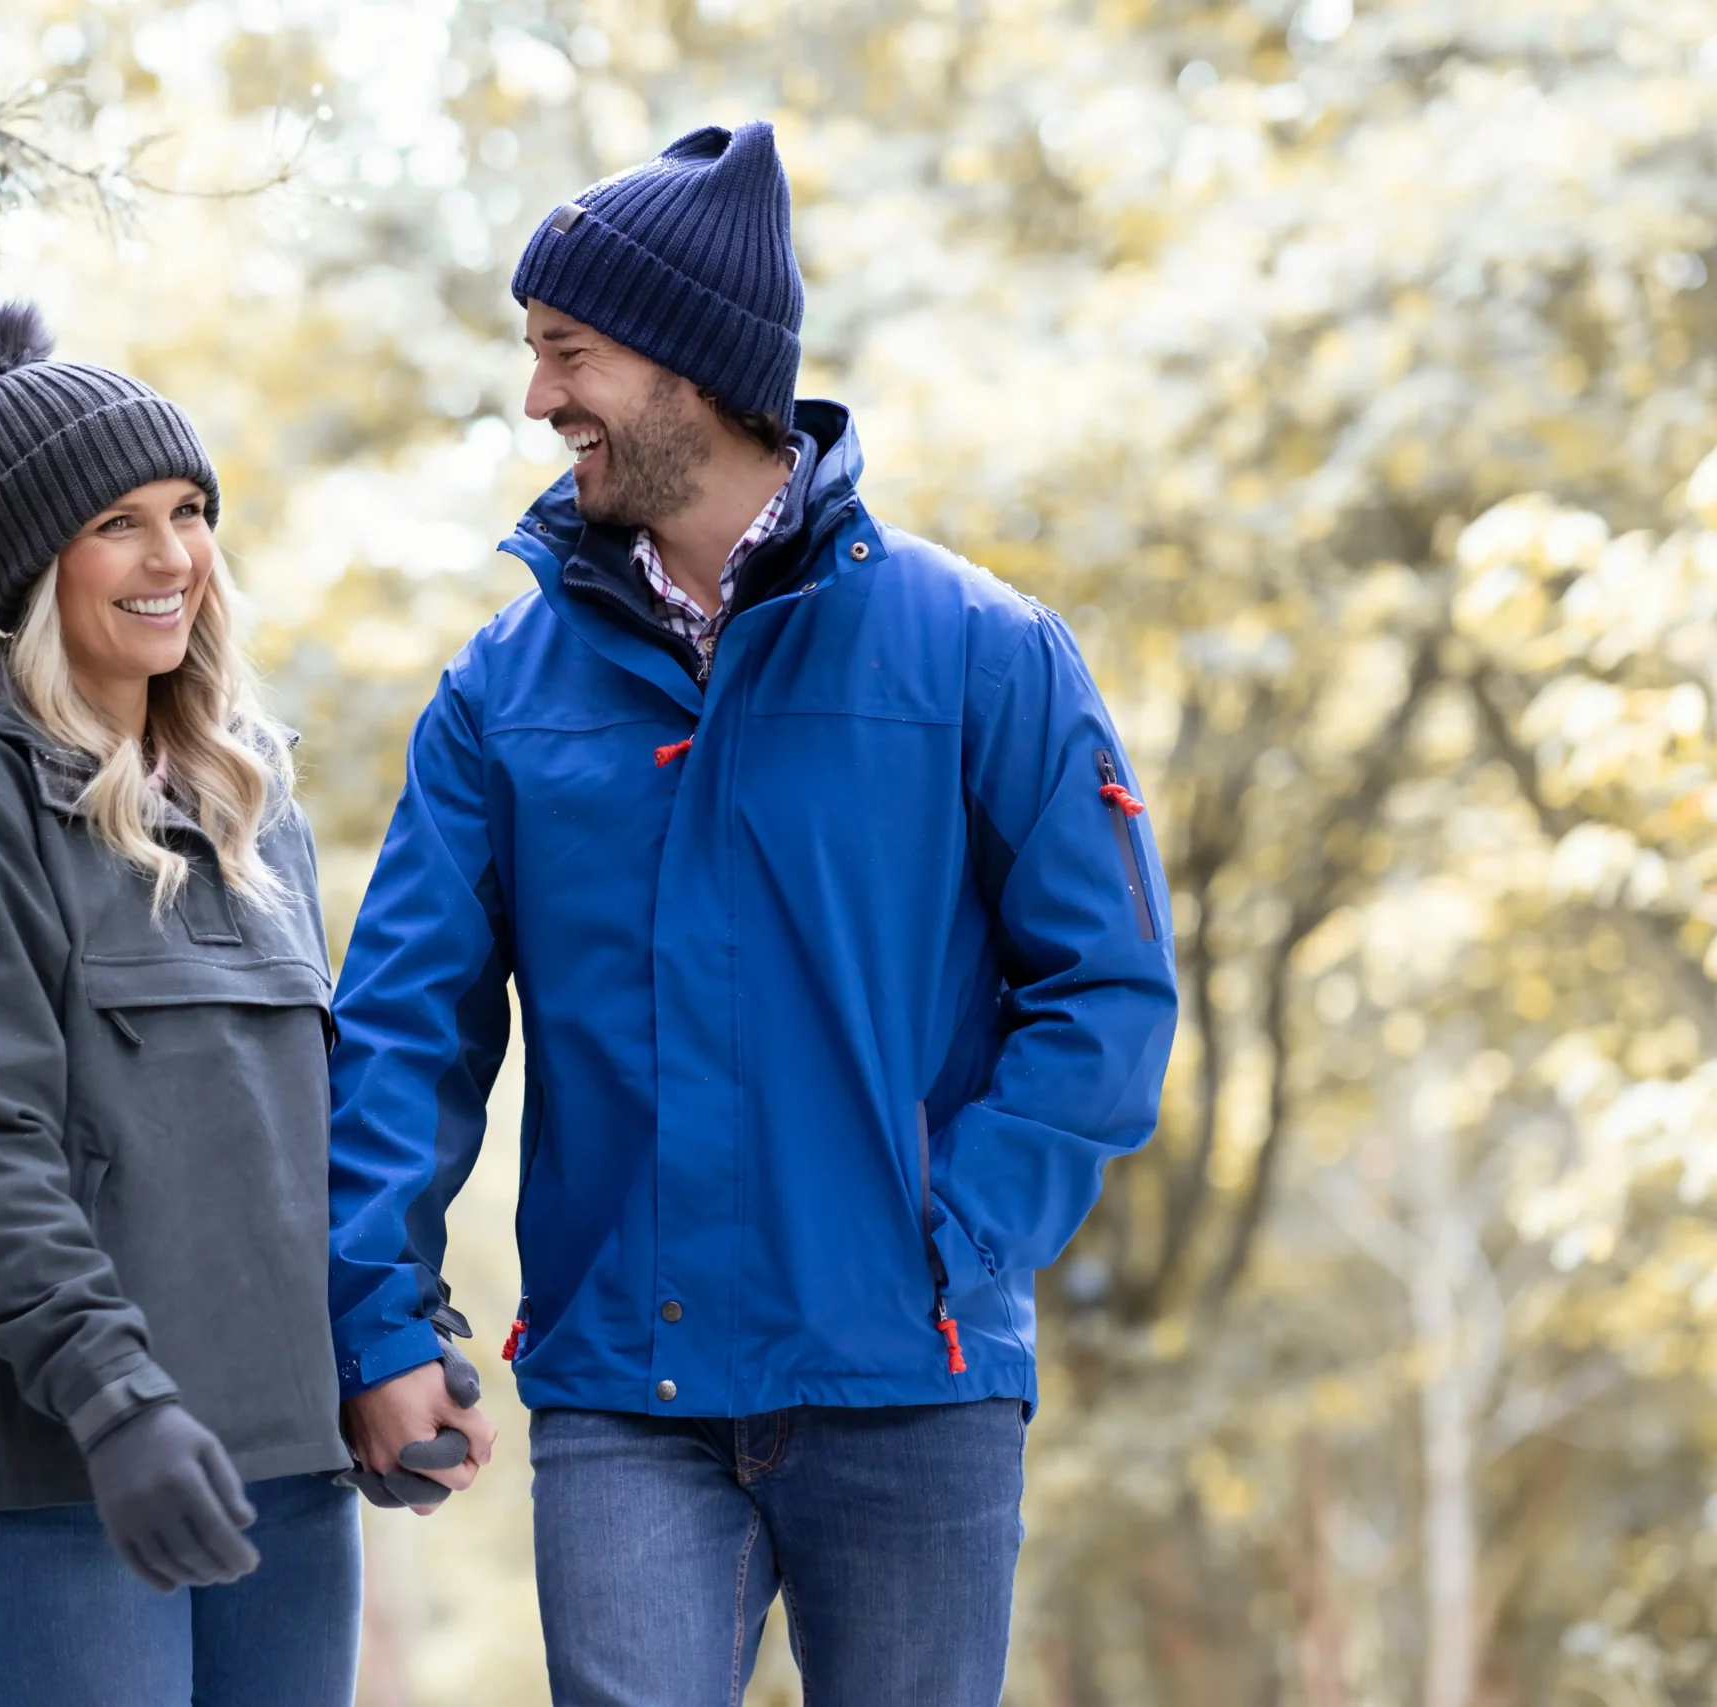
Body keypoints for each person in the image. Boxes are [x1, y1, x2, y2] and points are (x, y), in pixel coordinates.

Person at [327, 123, 1181, 1706]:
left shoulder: (983, 653)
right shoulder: (500, 697)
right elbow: (400, 1028)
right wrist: (377, 1313)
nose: (539, 399)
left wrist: (959, 1239)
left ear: (693, 368)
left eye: (569, 354)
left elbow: (1109, 991)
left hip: (908, 1379)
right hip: (623, 1397)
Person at [0, 301, 361, 1707]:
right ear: (34, 560)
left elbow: (314, 1132)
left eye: (190, 511)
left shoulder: (255, 811)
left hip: (286, 1483)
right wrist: (113, 1397)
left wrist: (385, 1341)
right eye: (120, 520)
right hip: (54, 1481)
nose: (172, 555)